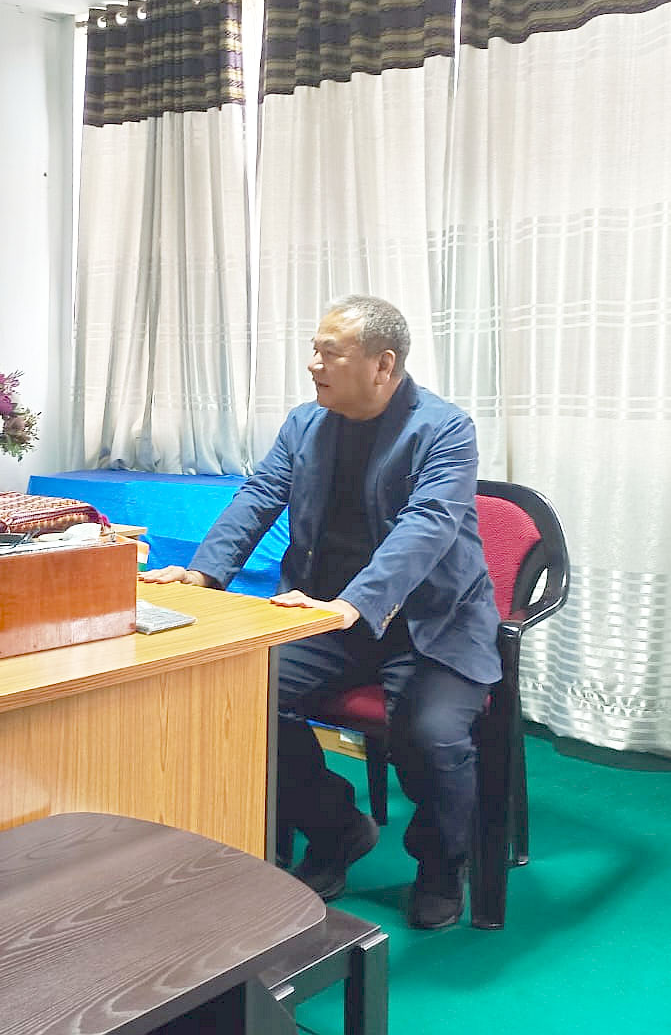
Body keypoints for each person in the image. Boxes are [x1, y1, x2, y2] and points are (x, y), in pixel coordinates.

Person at [140, 296, 500, 929]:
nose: (313, 365)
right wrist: (203, 573)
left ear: (382, 365)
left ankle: (443, 864)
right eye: (314, 350)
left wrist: (355, 603)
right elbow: (259, 495)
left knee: (432, 737)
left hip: (428, 624)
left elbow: (428, 525)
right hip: (321, 616)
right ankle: (336, 828)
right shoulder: (305, 423)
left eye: (329, 353)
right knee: (241, 697)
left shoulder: (444, 428)